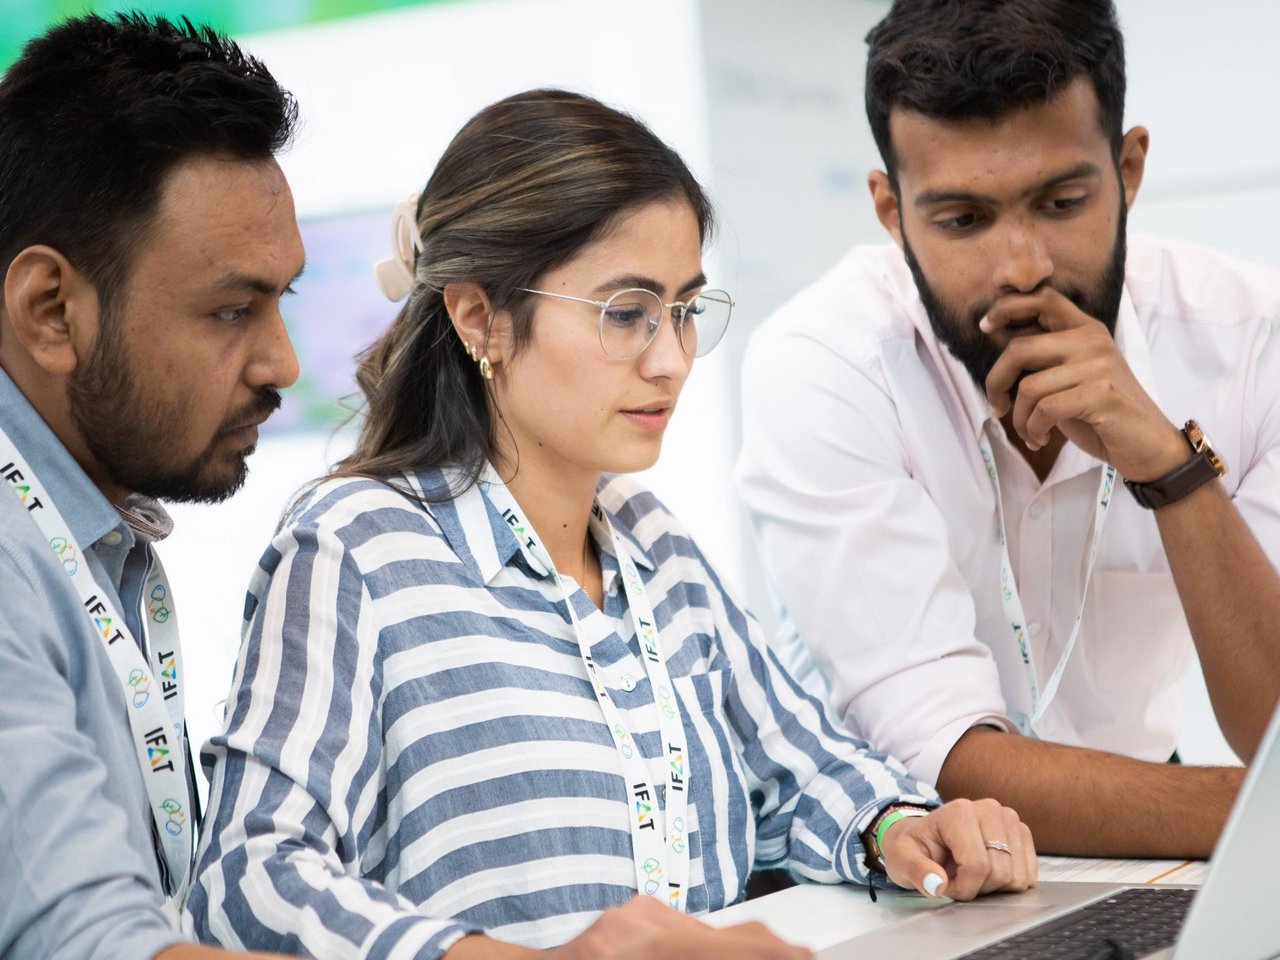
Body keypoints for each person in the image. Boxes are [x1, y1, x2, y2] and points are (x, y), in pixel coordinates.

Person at [190, 89, 1036, 960]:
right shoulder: (353, 548)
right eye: (626, 314)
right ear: (478, 315)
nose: (670, 359)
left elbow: (800, 763)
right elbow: (249, 875)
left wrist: (899, 829)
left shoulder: (651, 541)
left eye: (683, 311)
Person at [736, 0, 1280, 860]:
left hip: (1159, 835)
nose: (1021, 266)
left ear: (1129, 168)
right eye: (961, 221)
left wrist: (1173, 472)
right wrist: (1265, 819)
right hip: (908, 868)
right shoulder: (825, 361)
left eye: (1062, 201)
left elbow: (1273, 731)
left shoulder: (1251, 337)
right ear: (890, 211)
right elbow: (943, 758)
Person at [0, 13, 306, 960]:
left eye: (279, 302)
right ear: (53, 311)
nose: (282, 364)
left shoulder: (90, 532)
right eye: (230, 310)